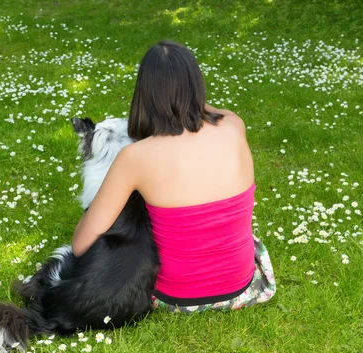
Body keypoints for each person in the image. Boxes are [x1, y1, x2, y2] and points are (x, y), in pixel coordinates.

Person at [71, 40, 276, 313]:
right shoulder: (234, 124)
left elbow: (80, 244)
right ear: (197, 84)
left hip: (176, 296)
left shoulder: (135, 157)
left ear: (144, 94)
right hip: (241, 284)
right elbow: (208, 112)